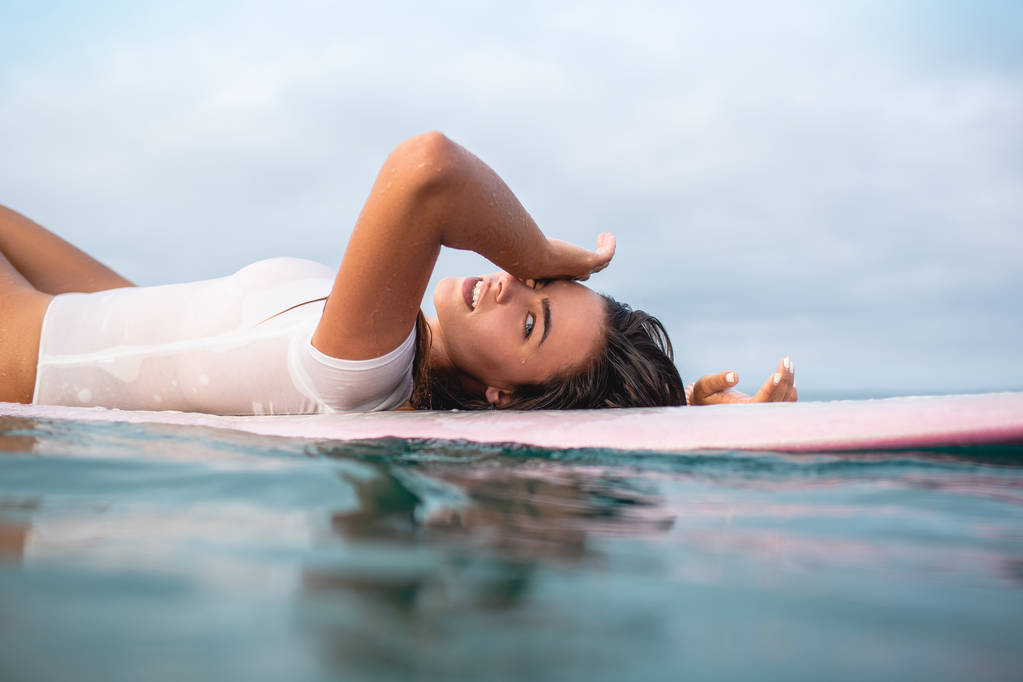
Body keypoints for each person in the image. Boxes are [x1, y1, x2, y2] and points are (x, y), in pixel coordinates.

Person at [0, 132, 796, 414]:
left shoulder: (363, 373)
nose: (513, 283)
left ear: (501, 396)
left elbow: (429, 172)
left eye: (530, 320)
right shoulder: (370, 335)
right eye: (541, 287)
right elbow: (128, 317)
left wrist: (544, 253)